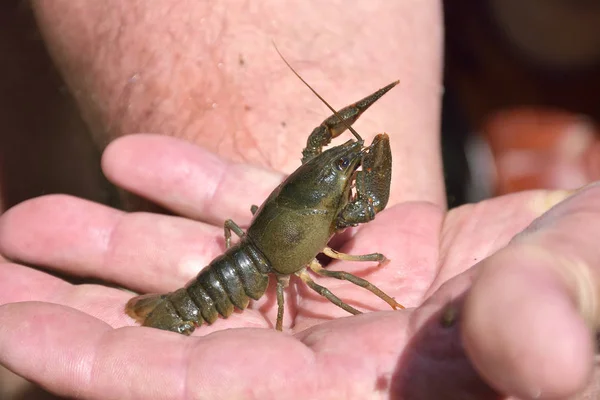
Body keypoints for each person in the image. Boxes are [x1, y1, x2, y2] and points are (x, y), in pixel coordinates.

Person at [0, 1, 598, 399]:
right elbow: (331, 270)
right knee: (344, 270)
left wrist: (339, 166)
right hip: (234, 278)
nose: (344, 159)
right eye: (340, 161)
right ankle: (172, 315)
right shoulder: (332, 215)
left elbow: (323, 157)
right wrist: (378, 287)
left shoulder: (307, 180)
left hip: (251, 253)